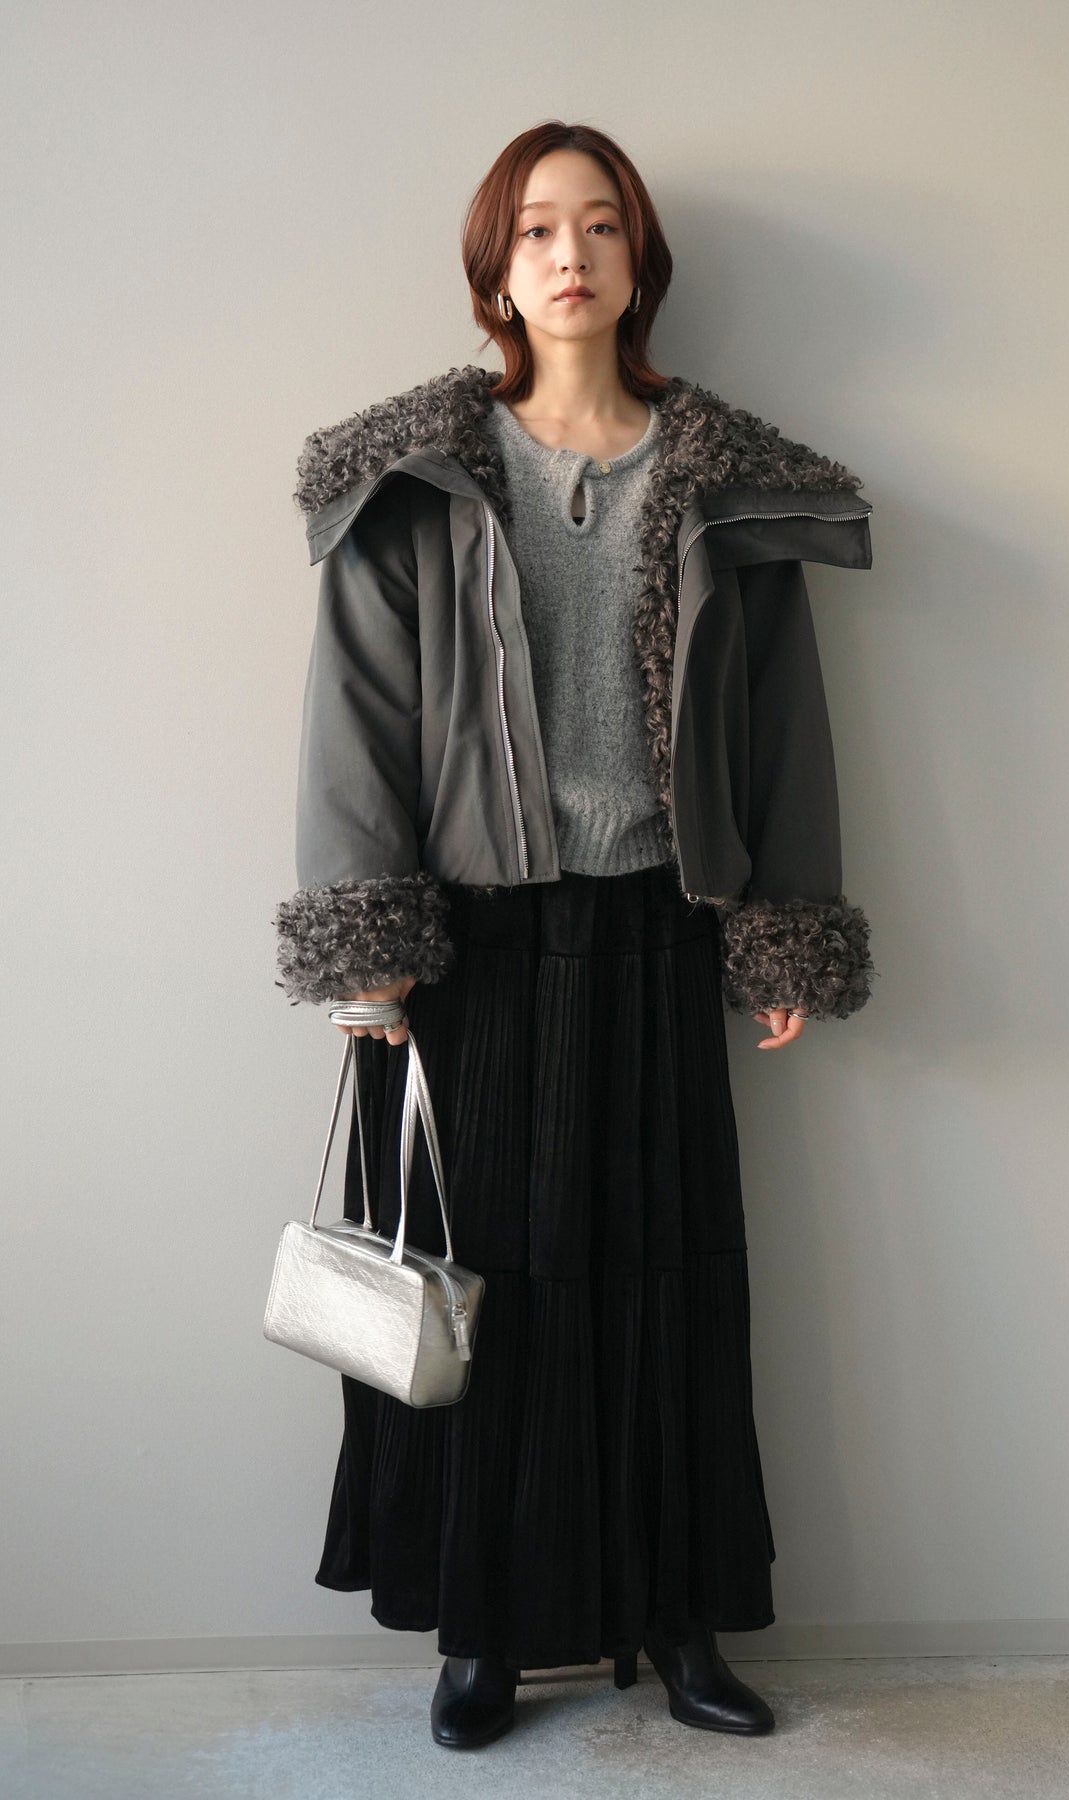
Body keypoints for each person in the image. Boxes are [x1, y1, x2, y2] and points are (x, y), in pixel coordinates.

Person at [272, 120, 876, 1751]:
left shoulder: (725, 483)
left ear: (637, 260)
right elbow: (357, 719)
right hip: (467, 952)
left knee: (665, 1290)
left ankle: (676, 1622)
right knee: (482, 1297)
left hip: (657, 932)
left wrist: (780, 933)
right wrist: (368, 940)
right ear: (494, 265)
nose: (568, 254)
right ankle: (480, 1631)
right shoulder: (412, 475)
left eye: (599, 225)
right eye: (536, 227)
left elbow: (780, 725)